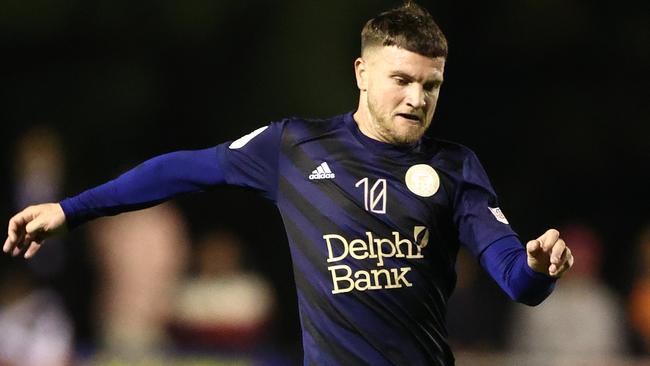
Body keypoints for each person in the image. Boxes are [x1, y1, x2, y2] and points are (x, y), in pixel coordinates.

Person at [3, 2, 574, 365]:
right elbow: (182, 169)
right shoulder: (295, 147)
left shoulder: (455, 166)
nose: (416, 99)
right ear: (361, 72)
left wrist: (538, 269)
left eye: (432, 85)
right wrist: (70, 210)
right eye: (402, 79)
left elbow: (514, 276)